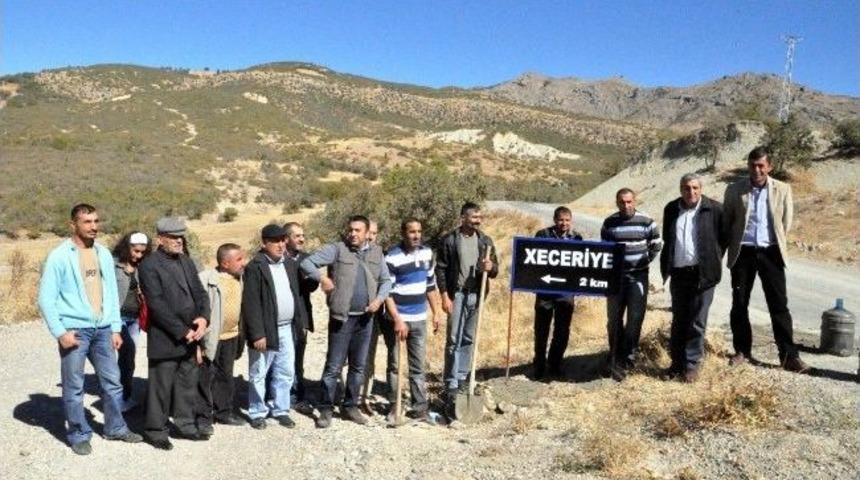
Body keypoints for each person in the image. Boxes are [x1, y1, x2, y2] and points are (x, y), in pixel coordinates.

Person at [38, 203, 143, 455]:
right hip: (75, 330)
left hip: (103, 329)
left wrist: (115, 328)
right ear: (72, 224)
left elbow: (110, 294)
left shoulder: (104, 254)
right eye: (87, 222)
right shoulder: (59, 256)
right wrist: (60, 332)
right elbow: (46, 297)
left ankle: (115, 427)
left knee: (113, 382)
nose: (94, 226)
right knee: (74, 387)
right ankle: (78, 433)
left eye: (96, 221)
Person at [300, 215, 392, 428]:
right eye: (351, 229)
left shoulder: (377, 253)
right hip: (341, 318)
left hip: (366, 319)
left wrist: (378, 300)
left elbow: (386, 281)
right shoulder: (337, 249)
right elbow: (307, 263)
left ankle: (351, 406)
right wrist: (322, 278)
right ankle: (325, 409)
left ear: (367, 232)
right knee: (333, 367)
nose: (353, 233)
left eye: (358, 230)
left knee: (358, 367)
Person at [723, 147, 809, 373]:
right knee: (739, 304)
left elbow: (785, 222)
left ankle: (789, 356)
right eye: (753, 165)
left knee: (779, 305)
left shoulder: (783, 189)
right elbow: (728, 222)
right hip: (744, 252)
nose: (757, 170)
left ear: (770, 166)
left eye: (761, 165)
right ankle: (742, 351)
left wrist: (773, 241)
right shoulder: (734, 190)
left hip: (771, 253)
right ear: (748, 166)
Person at [138, 217, 210, 450]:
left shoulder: (186, 261)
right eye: (173, 237)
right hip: (166, 337)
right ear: (160, 239)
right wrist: (182, 331)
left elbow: (200, 293)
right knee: (161, 386)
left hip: (191, 335)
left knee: (187, 383)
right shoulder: (149, 265)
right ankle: (155, 430)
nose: (179, 241)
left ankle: (185, 424)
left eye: (181, 237)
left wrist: (202, 318)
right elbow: (156, 304)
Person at [660, 174, 725, 382]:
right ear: (680, 189)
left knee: (697, 321)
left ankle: (691, 365)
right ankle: (676, 364)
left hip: (702, 275)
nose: (691, 192)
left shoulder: (714, 209)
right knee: (679, 320)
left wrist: (711, 260)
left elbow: (722, 239)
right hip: (679, 274)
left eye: (695, 188)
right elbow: (668, 239)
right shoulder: (671, 209)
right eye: (687, 188)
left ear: (701, 188)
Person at [242, 224, 308, 429]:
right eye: (275, 241)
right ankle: (257, 412)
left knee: (286, 371)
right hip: (265, 329)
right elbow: (251, 303)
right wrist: (257, 334)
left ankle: (281, 409)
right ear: (264, 243)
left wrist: (300, 323)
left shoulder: (288, 263)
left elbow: (296, 295)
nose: (280, 245)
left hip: (287, 328)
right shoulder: (256, 266)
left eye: (282, 240)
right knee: (259, 373)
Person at [435, 202, 499, 413]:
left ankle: (463, 378)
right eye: (474, 218)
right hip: (457, 294)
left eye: (480, 218)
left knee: (469, 338)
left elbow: (495, 269)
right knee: (454, 338)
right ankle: (450, 382)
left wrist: (490, 268)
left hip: (476, 295)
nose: (478, 221)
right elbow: (441, 270)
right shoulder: (450, 240)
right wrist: (445, 296)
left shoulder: (485, 241)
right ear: (463, 218)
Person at [382, 218, 444, 421]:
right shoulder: (392, 257)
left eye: (419, 231)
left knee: (418, 366)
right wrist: (397, 319)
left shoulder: (427, 253)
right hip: (399, 319)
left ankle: (420, 408)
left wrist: (436, 312)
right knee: (395, 365)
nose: (416, 235)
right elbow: (387, 292)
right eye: (412, 232)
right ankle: (394, 405)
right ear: (403, 233)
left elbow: (430, 285)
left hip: (419, 318)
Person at [600, 188, 662, 381]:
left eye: (629, 202)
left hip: (638, 278)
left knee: (635, 318)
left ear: (635, 201)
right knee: (614, 319)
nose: (625, 205)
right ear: (617, 203)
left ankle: (629, 357)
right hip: (615, 279)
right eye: (621, 202)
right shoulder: (609, 223)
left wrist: (641, 263)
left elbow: (656, 245)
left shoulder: (647, 222)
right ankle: (615, 356)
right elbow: (605, 249)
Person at [197, 243, 246, 430]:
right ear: (225, 263)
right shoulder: (206, 279)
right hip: (211, 338)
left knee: (225, 376)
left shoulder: (240, 278)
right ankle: (203, 418)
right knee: (205, 377)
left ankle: (223, 412)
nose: (243, 263)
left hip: (232, 336)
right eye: (239, 259)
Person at [532, 206, 583, 380]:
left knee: (562, 331)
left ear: (571, 221)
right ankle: (539, 364)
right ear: (555, 220)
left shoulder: (577, 238)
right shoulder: (542, 235)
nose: (564, 223)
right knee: (541, 330)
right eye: (561, 220)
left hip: (565, 293)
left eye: (567, 220)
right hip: (545, 291)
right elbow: (533, 258)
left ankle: (555, 364)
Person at [111, 231, 151, 411]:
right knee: (124, 354)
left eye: (142, 252)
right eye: (135, 251)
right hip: (117, 317)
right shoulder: (113, 265)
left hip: (135, 318)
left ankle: (125, 397)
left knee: (129, 358)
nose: (138, 255)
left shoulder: (143, 266)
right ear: (127, 248)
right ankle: (116, 400)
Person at [283, 222, 318, 411]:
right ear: (286, 238)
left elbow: (312, 288)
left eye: (303, 235)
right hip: (281, 317)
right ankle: (278, 396)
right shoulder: (277, 259)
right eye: (297, 236)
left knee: (297, 358)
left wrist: (311, 278)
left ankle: (297, 396)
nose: (302, 239)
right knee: (281, 359)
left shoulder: (306, 259)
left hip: (301, 316)